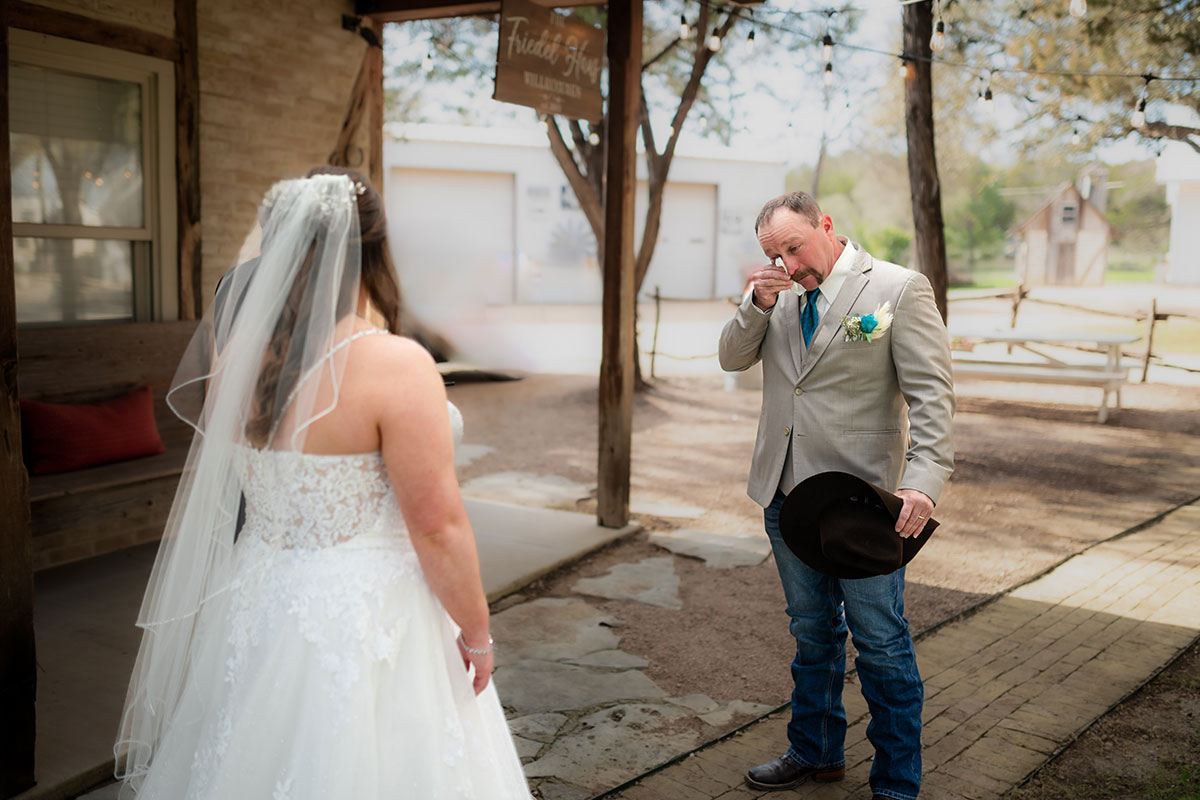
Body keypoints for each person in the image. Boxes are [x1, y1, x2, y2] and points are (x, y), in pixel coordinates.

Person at [114, 168, 531, 799]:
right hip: (363, 615)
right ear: (371, 251)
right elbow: (436, 525)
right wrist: (477, 633)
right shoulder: (394, 364)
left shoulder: (238, 360)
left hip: (257, 599)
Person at [719, 192, 955, 800]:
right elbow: (731, 357)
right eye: (775, 254)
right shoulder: (774, 294)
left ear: (826, 225)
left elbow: (933, 397)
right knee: (812, 632)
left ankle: (896, 783)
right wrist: (757, 302)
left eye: (795, 248)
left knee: (880, 640)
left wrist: (922, 483)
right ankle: (815, 751)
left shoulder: (899, 290)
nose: (789, 264)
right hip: (784, 494)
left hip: (860, 501)